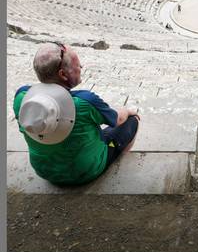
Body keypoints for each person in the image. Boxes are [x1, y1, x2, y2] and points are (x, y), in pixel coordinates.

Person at [13, 43, 140, 186]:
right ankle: (116, 162)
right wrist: (128, 110)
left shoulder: (22, 96)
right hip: (86, 172)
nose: (81, 68)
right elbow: (118, 119)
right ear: (62, 74)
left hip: (44, 171)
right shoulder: (84, 101)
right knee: (132, 121)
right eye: (77, 65)